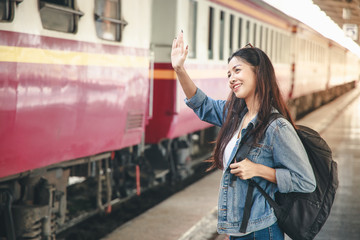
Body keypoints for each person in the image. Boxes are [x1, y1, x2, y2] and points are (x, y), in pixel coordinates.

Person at [171, 31, 316, 240]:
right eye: (228, 74)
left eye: (237, 70)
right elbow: (202, 104)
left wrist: (258, 169)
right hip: (237, 230)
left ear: (258, 72)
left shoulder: (277, 127)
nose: (231, 79)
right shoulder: (235, 116)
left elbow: (305, 181)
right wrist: (179, 69)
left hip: (262, 230)